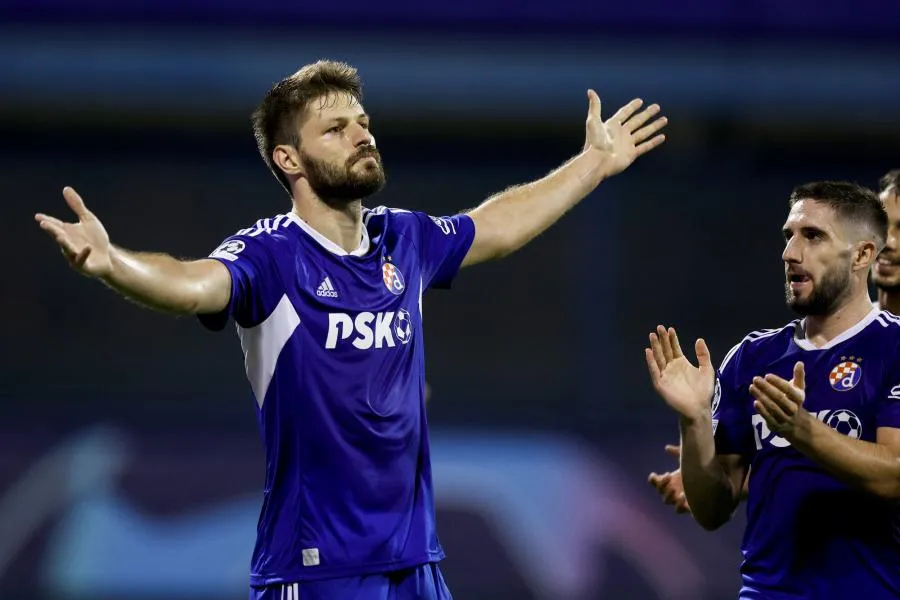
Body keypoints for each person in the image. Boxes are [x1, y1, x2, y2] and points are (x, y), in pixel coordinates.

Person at [34, 60, 667, 600]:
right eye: (335, 130)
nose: (361, 135)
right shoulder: (271, 256)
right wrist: (113, 263)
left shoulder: (402, 239)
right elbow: (192, 282)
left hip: (415, 564)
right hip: (316, 570)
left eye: (362, 122)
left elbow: (496, 225)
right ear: (289, 159)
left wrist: (593, 164)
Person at [645, 181, 900, 598]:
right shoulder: (752, 357)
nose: (790, 253)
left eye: (813, 236)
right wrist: (693, 420)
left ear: (862, 255)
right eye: (789, 236)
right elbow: (712, 509)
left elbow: (894, 476)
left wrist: (802, 430)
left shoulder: (893, 346)